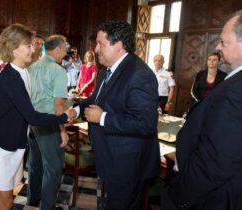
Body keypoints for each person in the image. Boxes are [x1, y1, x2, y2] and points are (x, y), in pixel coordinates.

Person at [70, 21, 160, 209]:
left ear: (118, 45)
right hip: (112, 158)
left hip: (128, 165)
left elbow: (145, 123)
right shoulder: (106, 70)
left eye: (100, 44)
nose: (96, 49)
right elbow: (95, 100)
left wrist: (103, 118)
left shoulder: (140, 74)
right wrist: (76, 110)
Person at [0, 24, 72, 210]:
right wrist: (63, 117)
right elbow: (32, 117)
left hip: (11, 140)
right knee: (6, 198)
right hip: (2, 144)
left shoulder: (23, 70)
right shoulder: (11, 77)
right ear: (15, 49)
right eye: (29, 46)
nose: (34, 49)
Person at [161, 10, 242, 210]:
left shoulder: (236, 89)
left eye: (223, 42)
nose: (216, 47)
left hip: (210, 196)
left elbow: (217, 160)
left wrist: (179, 194)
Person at [27, 35, 68, 210]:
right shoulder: (58, 70)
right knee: (54, 167)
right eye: (65, 49)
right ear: (58, 49)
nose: (65, 53)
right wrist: (63, 130)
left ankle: (33, 199)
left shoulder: (32, 66)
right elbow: (59, 105)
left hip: (33, 121)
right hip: (49, 123)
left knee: (35, 163)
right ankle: (47, 207)